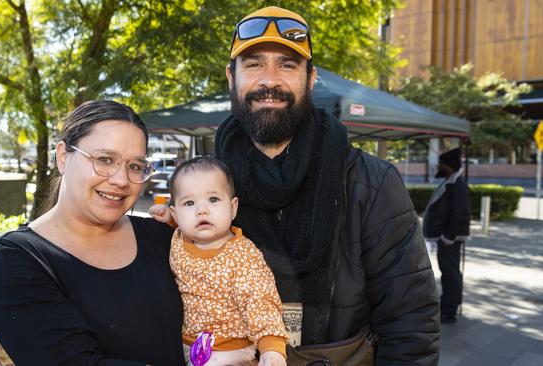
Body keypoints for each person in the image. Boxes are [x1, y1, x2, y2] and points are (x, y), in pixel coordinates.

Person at [216, 5, 440, 364]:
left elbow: (410, 326)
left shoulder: (373, 183)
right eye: (254, 63)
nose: (269, 80)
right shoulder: (202, 188)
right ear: (231, 77)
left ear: (311, 78)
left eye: (287, 65)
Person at [0, 100, 186, 366]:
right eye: (104, 159)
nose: (121, 180)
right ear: (63, 157)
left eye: (135, 166)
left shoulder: (162, 237)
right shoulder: (17, 259)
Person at [166, 156, 287, 366]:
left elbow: (260, 300)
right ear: (175, 215)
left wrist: (272, 349)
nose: (201, 210)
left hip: (232, 350)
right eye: (189, 202)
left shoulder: (243, 254)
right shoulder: (177, 238)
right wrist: (165, 219)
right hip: (187, 347)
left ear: (233, 208)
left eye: (213, 199)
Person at [422, 148, 470, 324]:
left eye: (441, 164)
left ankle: (450, 310)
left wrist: (447, 238)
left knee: (450, 274)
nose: (438, 167)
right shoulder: (450, 182)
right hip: (446, 238)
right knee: (448, 273)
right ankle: (447, 305)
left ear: (448, 166)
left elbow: (459, 215)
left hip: (449, 239)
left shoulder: (458, 186)